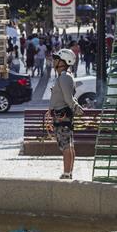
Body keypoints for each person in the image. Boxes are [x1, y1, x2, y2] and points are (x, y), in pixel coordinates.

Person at [45, 48, 86, 179]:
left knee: (66, 145)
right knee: (68, 144)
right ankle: (68, 172)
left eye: (56, 59)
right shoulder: (64, 77)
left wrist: (76, 108)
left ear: (64, 62)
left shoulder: (64, 77)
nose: (54, 61)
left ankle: (67, 173)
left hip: (62, 115)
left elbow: (68, 98)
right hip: (61, 114)